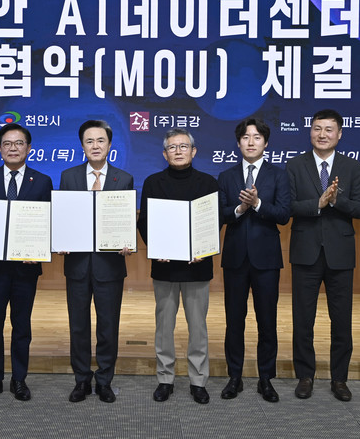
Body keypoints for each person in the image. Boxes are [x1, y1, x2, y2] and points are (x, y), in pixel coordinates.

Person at [286, 108, 360, 402]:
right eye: (317, 128)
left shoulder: (353, 167)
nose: (322, 134)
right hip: (305, 252)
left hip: (340, 254)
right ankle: (305, 376)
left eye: (329, 129)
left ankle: (339, 378)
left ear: (339, 134)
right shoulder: (294, 165)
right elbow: (288, 206)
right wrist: (317, 204)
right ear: (310, 131)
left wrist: (336, 201)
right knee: (303, 320)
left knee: (341, 320)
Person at [0, 123, 53, 403]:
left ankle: (19, 379)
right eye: (7, 143)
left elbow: (47, 222)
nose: (13, 148)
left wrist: (39, 248)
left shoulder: (41, 181)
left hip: (25, 267)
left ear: (28, 148)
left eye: (19, 143)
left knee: (22, 326)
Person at [137, 128, 219, 405]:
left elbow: (214, 222)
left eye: (184, 146)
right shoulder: (153, 182)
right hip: (165, 268)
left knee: (198, 328)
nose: (178, 151)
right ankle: (165, 379)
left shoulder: (208, 183)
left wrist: (204, 249)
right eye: (172, 147)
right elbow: (145, 222)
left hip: (198, 267)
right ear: (165, 154)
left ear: (193, 151)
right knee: (164, 327)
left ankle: (198, 380)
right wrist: (156, 247)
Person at [59, 120, 134, 404]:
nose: (95, 146)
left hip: (110, 266)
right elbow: (64, 216)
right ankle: (81, 380)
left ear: (109, 145)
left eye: (100, 140)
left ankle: (104, 381)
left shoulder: (123, 178)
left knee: (108, 326)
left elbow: (126, 220)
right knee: (78, 326)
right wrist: (61, 238)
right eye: (89, 141)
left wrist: (126, 241)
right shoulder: (68, 176)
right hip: (77, 265)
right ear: (82, 145)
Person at [217, 118, 290, 403]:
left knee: (267, 321)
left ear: (266, 143)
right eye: (246, 137)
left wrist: (257, 204)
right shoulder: (226, 176)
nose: (251, 142)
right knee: (234, 321)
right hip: (235, 259)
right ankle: (234, 377)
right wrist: (240, 208)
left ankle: (266, 379)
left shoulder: (278, 175)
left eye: (257, 137)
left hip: (267, 260)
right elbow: (220, 214)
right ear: (238, 143)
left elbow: (283, 214)